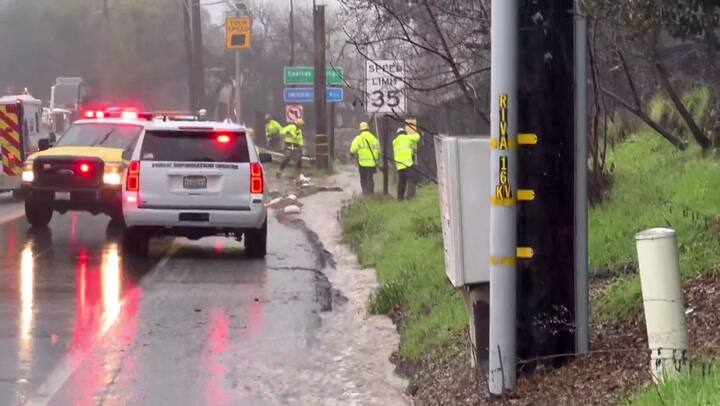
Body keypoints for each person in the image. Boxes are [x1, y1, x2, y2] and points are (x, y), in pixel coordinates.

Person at [349, 122, 380, 196]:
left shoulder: (359, 138)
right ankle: (371, 193)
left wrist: (352, 154)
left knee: (363, 178)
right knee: (370, 177)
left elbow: (353, 149)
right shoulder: (374, 138)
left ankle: (365, 193)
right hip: (372, 162)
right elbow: (378, 149)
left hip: (362, 163)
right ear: (368, 129)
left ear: (360, 130)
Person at [393, 127, 421, 200]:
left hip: (399, 165)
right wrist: (415, 132)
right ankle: (410, 196)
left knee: (402, 181)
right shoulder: (407, 138)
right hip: (408, 163)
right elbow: (417, 138)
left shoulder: (395, 141)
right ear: (404, 133)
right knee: (411, 179)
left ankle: (400, 197)